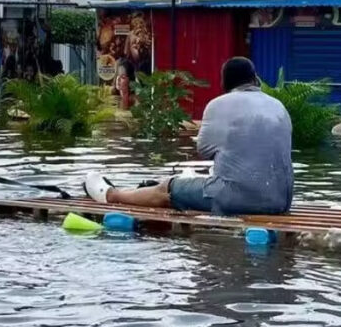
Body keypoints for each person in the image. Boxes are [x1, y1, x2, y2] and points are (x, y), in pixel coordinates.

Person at [84, 57, 293, 216]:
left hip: (236, 201)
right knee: (207, 180)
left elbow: (203, 150)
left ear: (223, 84)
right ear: (255, 80)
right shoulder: (278, 106)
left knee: (168, 188)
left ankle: (112, 195)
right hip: (281, 202)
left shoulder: (218, 105)